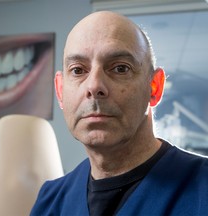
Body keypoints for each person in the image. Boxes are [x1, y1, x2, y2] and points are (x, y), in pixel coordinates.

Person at [30, 11, 208, 216]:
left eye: (120, 68)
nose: (95, 85)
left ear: (154, 87)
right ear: (60, 91)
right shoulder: (50, 202)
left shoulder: (202, 190)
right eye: (78, 70)